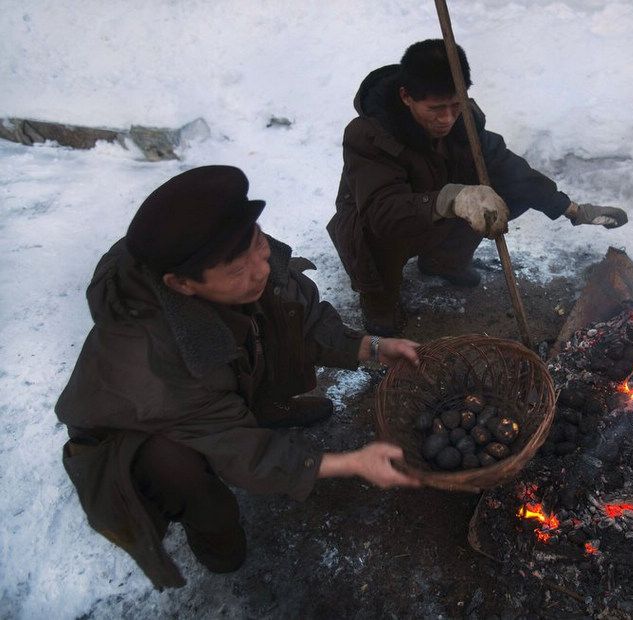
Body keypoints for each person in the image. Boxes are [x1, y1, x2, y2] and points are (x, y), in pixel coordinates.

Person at [55, 165, 421, 589]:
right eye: (237, 270)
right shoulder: (153, 362)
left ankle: (267, 409)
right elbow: (239, 449)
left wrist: (373, 347)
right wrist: (347, 462)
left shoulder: (244, 259)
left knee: (269, 328)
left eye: (260, 244)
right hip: (135, 435)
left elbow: (303, 317)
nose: (260, 270)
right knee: (179, 470)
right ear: (182, 284)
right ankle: (214, 539)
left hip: (209, 397)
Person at [327, 39, 628, 336]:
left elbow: (504, 164)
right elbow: (383, 212)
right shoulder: (368, 135)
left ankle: (443, 262)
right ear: (406, 96)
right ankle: (377, 294)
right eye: (435, 108)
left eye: (456, 104)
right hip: (376, 229)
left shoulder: (463, 120)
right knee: (383, 310)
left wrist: (569, 208)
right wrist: (452, 198)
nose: (447, 118)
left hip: (432, 215)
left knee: (504, 192)